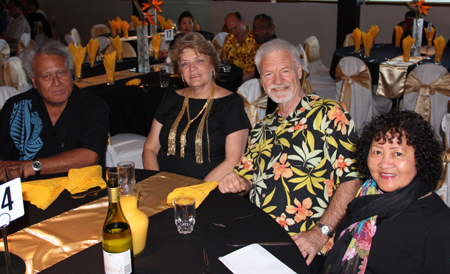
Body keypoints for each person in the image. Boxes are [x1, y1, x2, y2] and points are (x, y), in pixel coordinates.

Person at [218, 39, 361, 273]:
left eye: (285, 71)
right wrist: (237, 182)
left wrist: (319, 233)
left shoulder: (329, 113)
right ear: (261, 81)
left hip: (307, 246)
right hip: (258, 241)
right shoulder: (262, 128)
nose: (277, 81)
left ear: (298, 70)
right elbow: (246, 182)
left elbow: (352, 179)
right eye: (268, 74)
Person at [323, 110, 450, 274]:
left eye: (397, 153)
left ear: (420, 158)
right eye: (377, 152)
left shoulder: (438, 223)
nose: (384, 163)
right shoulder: (364, 200)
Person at [143, 32, 251, 181]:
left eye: (199, 60)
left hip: (207, 191)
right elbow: (150, 148)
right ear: (180, 72)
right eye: (185, 64)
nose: (192, 68)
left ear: (212, 65)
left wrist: (195, 194)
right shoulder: (171, 97)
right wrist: (155, 182)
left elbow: (233, 161)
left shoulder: (231, 104)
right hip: (162, 186)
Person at [0, 40, 110, 182]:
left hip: (81, 192)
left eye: (61, 73)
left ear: (70, 73)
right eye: (46, 76)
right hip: (25, 195)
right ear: (33, 81)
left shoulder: (93, 106)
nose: (56, 82)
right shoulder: (15, 107)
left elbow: (89, 156)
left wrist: (32, 166)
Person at [220, 12, 258, 82]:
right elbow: (224, 60)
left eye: (235, 28)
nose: (233, 32)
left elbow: (262, 65)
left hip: (251, 80)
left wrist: (249, 75)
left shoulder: (255, 38)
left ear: (242, 23)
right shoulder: (229, 38)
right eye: (230, 29)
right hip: (233, 80)